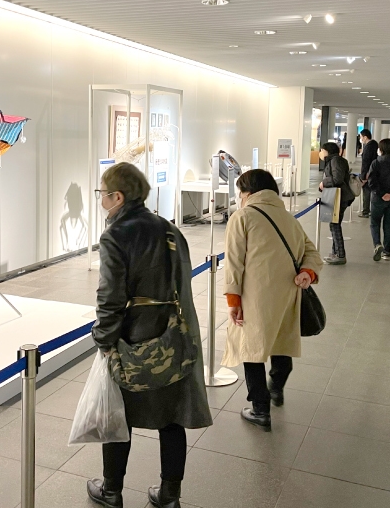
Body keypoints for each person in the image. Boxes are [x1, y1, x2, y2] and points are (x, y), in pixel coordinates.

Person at [88, 163, 212, 508]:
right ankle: (169, 495)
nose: (101, 200)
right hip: (172, 337)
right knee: (171, 419)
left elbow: (110, 296)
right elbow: (183, 283)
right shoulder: (169, 229)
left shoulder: (116, 235)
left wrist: (104, 339)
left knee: (119, 416)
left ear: (117, 197)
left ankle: (112, 491)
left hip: (132, 338)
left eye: (102, 194)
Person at [221, 169, 323, 428]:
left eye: (241, 193)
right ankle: (276, 387)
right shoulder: (288, 218)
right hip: (288, 294)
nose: (240, 198)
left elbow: (233, 263)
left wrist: (233, 301)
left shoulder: (242, 217)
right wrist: (307, 272)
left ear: (248, 192)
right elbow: (312, 253)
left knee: (252, 348)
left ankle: (260, 409)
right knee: (281, 340)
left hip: (255, 297)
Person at [319, 142, 356, 265]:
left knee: (334, 224)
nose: (320, 153)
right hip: (338, 196)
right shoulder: (334, 160)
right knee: (334, 223)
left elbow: (337, 179)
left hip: (340, 197)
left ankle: (340, 255)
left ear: (327, 151)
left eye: (322, 150)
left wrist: (324, 182)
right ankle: (335, 252)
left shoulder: (336, 161)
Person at [358, 129, 379, 218]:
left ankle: (365, 211)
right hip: (375, 171)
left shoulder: (368, 147)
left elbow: (365, 162)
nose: (360, 139)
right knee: (374, 192)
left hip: (368, 173)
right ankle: (374, 210)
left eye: (361, 137)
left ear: (365, 137)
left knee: (366, 192)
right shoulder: (375, 144)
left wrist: (363, 177)